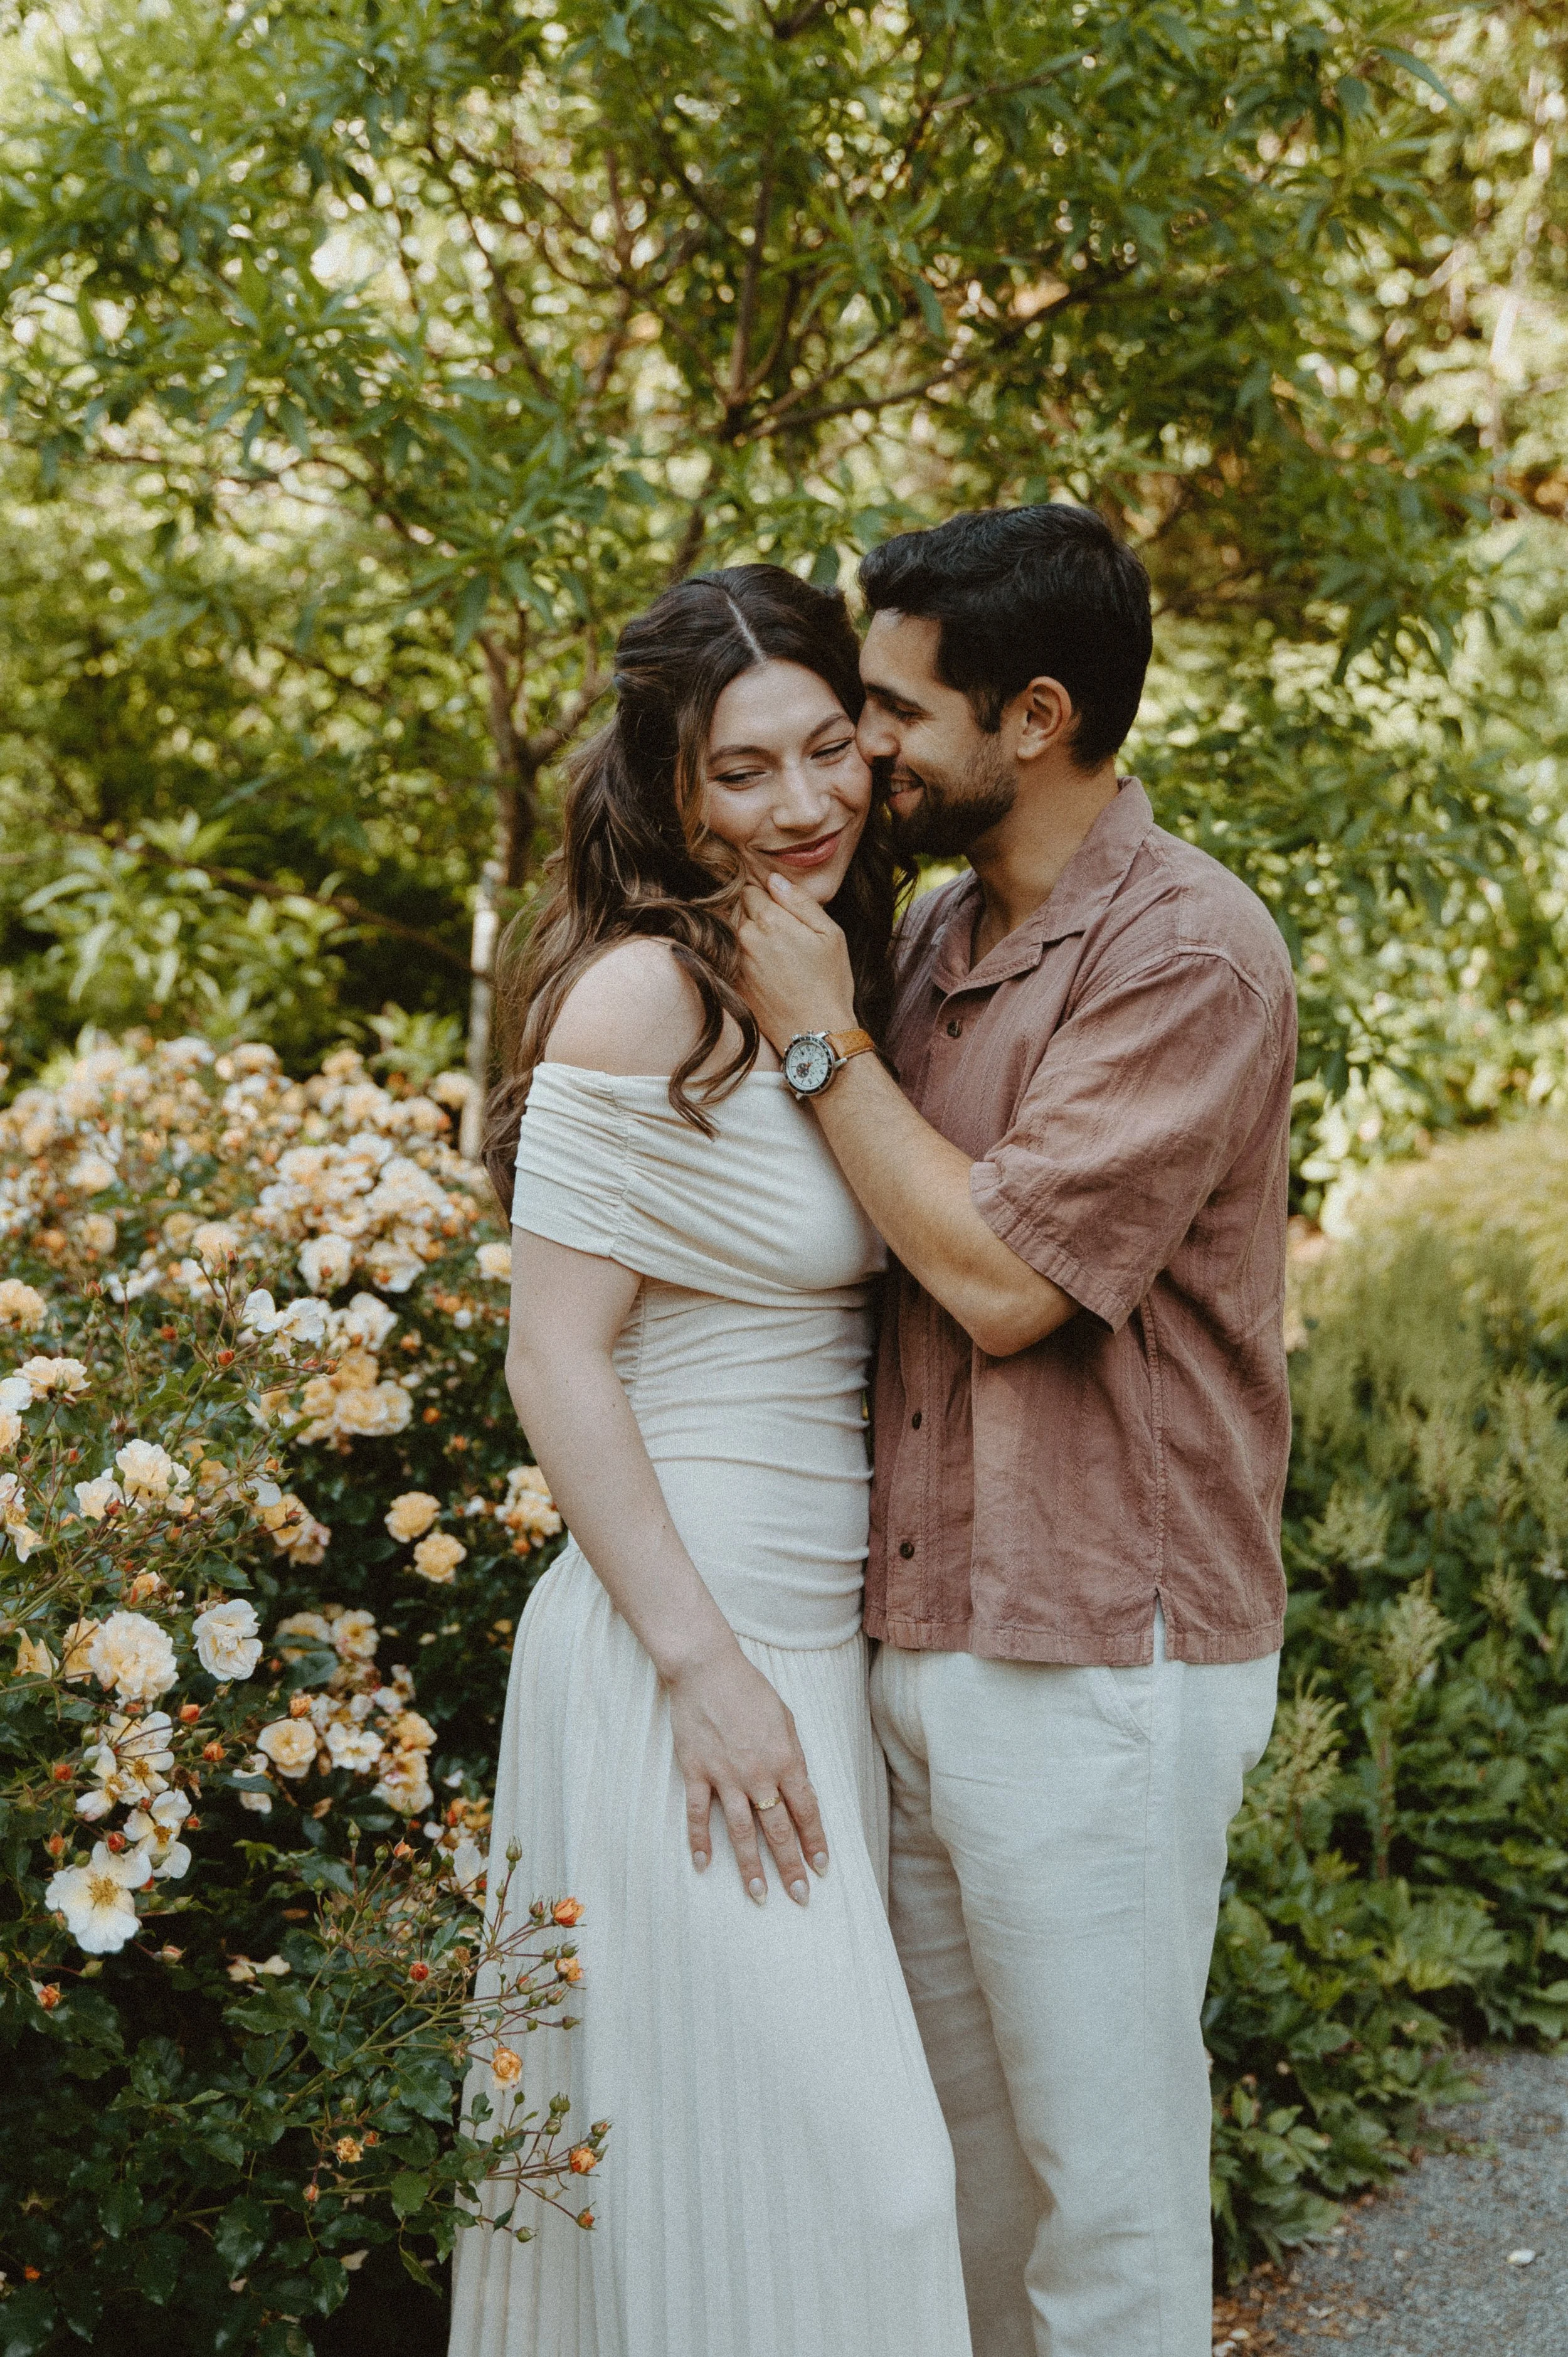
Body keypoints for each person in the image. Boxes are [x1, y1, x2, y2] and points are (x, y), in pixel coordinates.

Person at [737, 504, 1294, 2357]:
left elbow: (999, 1284)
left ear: (1035, 717)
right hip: (919, 1636)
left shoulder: (1188, 954)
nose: (863, 749)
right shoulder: (935, 933)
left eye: (894, 711)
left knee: (1102, 2201)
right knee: (956, 2196)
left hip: (1097, 1657)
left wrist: (820, 1039)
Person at [448, 565, 972, 2357]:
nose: (804, 801)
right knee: (862, 2178)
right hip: (686, 1650)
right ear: (671, 793)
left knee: (752, 2173)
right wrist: (703, 1671)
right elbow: (553, 1354)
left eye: (829, 747)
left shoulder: (826, 970)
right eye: (743, 772)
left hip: (813, 1640)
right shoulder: (641, 1000)